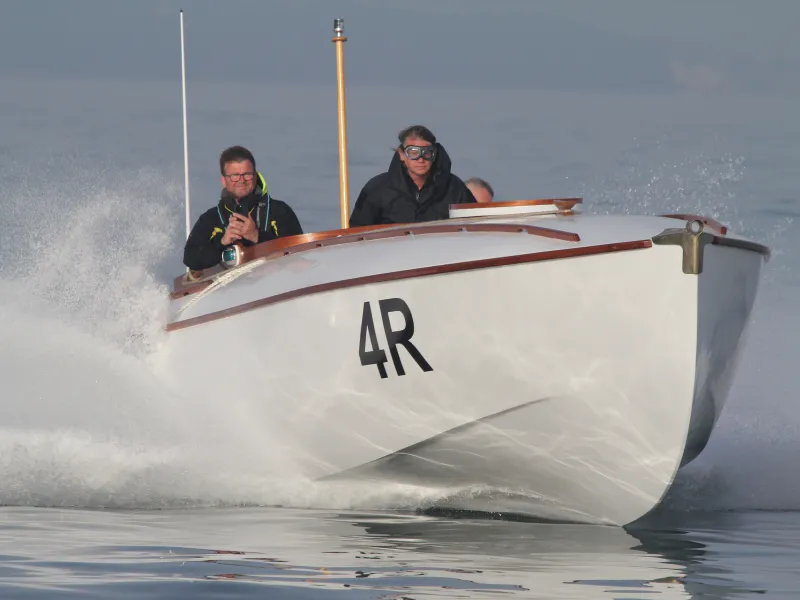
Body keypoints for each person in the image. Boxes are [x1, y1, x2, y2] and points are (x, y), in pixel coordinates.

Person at [183, 145, 303, 271]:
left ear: (255, 176)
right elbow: (190, 258)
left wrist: (256, 236)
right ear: (223, 180)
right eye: (234, 175)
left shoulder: (279, 210)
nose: (241, 180)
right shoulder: (210, 218)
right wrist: (222, 242)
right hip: (228, 286)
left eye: (247, 174)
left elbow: (297, 251)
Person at [348, 125, 476, 227]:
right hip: (390, 255)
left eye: (427, 153)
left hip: (440, 253)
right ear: (402, 154)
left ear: (435, 154)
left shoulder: (454, 188)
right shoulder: (377, 188)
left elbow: (474, 226)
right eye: (413, 152)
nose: (421, 159)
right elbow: (358, 230)